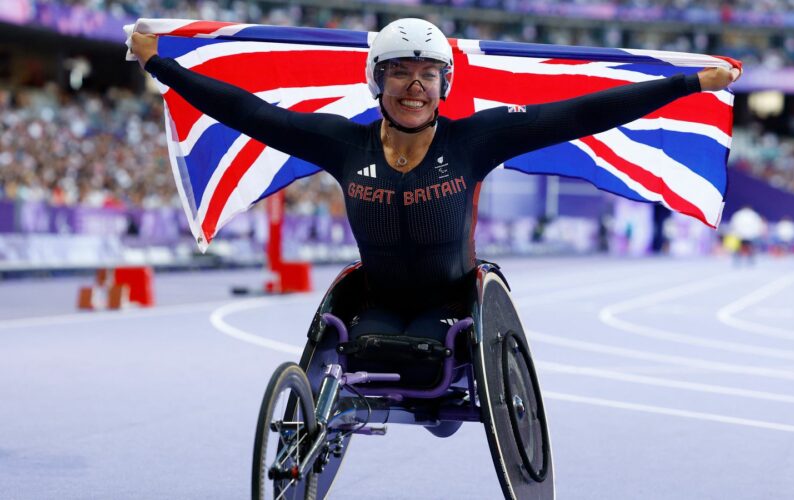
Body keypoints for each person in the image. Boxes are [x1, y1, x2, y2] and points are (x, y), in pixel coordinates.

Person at [130, 18, 739, 349]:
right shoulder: (342, 142)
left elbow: (583, 112)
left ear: (444, 85)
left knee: (421, 355)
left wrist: (687, 83)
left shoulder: (476, 140)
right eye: (400, 73)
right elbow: (251, 113)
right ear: (378, 82)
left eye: (427, 74)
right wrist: (159, 62)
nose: (414, 85)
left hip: (452, 305)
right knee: (357, 347)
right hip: (374, 297)